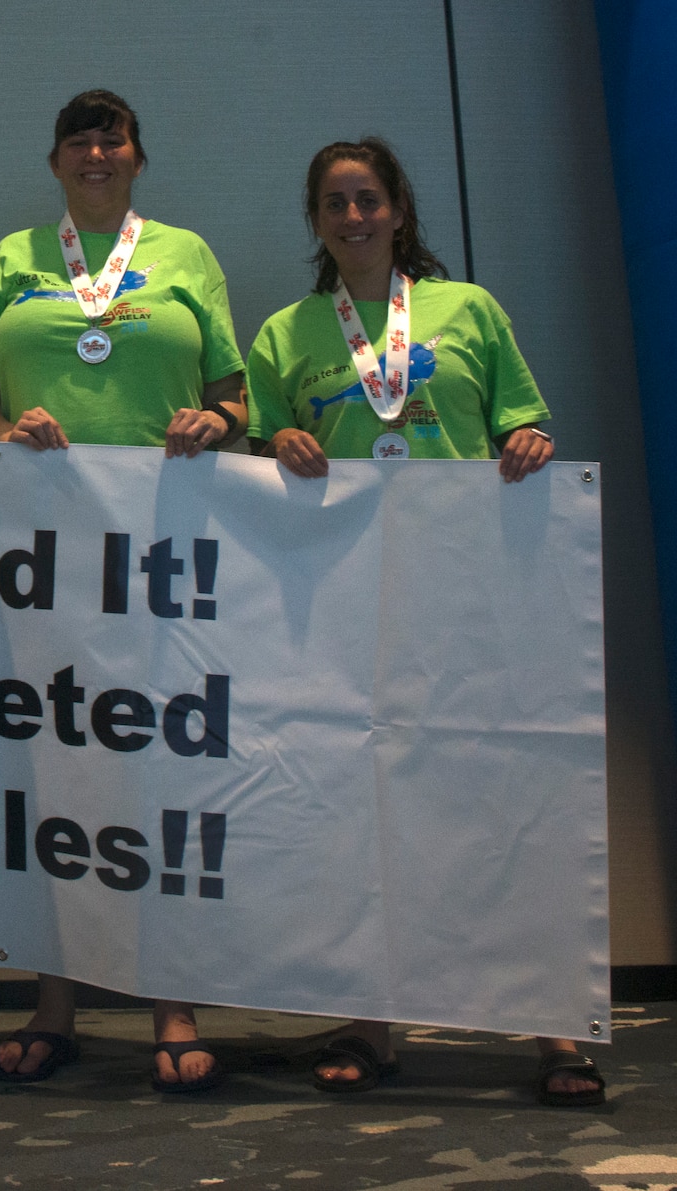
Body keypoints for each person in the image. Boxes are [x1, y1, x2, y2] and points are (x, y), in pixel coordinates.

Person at [246, 136, 599, 1105]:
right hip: (346, 604)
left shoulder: (467, 309)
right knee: (361, 812)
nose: (352, 216)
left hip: (473, 590)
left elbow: (519, 426)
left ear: (397, 210)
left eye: (367, 199)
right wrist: (274, 437)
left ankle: (552, 1031)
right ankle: (370, 1026)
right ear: (315, 221)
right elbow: (259, 460)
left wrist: (527, 439)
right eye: (333, 203)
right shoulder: (284, 334)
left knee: (510, 797)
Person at [0, 90, 248, 1095]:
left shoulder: (185, 256)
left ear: (134, 157)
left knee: (160, 773)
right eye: (77, 139)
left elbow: (235, 400)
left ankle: (171, 998)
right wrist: (8, 430)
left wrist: (214, 425)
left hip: (162, 551)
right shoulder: (10, 260)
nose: (94, 151)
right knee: (58, 773)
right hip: (39, 556)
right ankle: (55, 998)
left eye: (110, 137)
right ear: (53, 162)